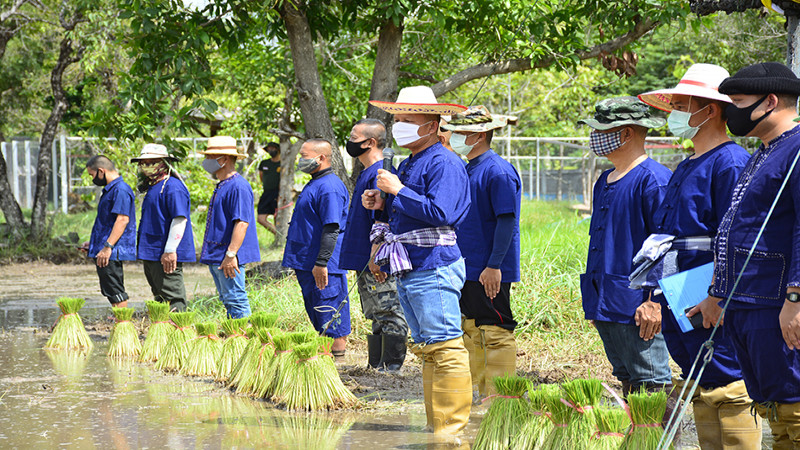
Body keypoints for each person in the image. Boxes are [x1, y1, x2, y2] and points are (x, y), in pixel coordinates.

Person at [638, 64, 762, 448]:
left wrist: (719, 294)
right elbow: (663, 239)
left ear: (709, 110)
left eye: (680, 103)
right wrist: (652, 296)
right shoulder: (685, 165)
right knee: (700, 377)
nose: (673, 111)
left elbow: (739, 238)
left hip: (710, 289)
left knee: (728, 377)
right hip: (680, 286)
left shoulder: (730, 163)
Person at [696, 62, 800, 448]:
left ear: (770, 101)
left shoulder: (796, 150)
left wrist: (795, 297)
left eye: (738, 102)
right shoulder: (762, 152)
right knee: (772, 404)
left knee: (793, 404)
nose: (731, 111)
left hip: (775, 303)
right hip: (747, 302)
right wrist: (719, 291)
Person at [364, 85, 472, 436]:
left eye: (408, 120)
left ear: (430, 125)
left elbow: (443, 212)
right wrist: (382, 203)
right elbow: (411, 210)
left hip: (434, 264)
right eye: (398, 120)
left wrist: (398, 191)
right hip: (413, 265)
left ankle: (451, 430)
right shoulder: (412, 161)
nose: (400, 126)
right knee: (429, 347)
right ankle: (436, 425)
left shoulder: (445, 162)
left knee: (444, 345)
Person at [578, 97, 673, 397]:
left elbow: (666, 245)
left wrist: (654, 301)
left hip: (638, 306)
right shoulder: (604, 180)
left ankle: (658, 440)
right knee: (627, 376)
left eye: (603, 129)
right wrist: (595, 300)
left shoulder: (653, 180)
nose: (596, 136)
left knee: (651, 379)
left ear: (627, 133)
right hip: (607, 302)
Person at [440, 106, 521, 399]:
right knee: (473, 327)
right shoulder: (467, 168)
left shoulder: (496, 171)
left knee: (495, 329)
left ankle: (499, 400)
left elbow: (506, 220)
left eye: (462, 132)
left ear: (480, 135)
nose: (455, 136)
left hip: (488, 268)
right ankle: (480, 394)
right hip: (466, 265)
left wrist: (495, 265)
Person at [340, 118, 408, 371]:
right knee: (374, 312)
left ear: (370, 142)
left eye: (353, 136)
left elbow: (386, 220)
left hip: (378, 258)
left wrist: (377, 256)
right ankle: (377, 366)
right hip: (364, 259)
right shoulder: (366, 173)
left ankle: (391, 367)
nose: (349, 140)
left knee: (389, 309)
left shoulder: (382, 173)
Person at [282, 139, 351, 357]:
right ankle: (326, 359)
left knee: (330, 316)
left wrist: (321, 263)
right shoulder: (315, 183)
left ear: (321, 158)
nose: (300, 161)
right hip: (307, 263)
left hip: (323, 266)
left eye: (304, 156)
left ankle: (336, 364)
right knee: (318, 314)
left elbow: (331, 228)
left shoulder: (329, 187)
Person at [199, 135, 260, 319]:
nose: (206, 162)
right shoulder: (223, 185)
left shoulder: (238, 187)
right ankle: (235, 336)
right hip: (219, 254)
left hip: (229, 256)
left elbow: (242, 222)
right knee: (227, 299)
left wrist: (231, 254)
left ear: (224, 159)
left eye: (211, 157)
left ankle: (243, 339)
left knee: (236, 299)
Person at [132, 143, 196, 313]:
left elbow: (179, 219)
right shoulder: (154, 187)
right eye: (143, 163)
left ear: (164, 163)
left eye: (153, 162)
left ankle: (180, 333)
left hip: (165, 252)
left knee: (173, 296)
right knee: (159, 296)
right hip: (151, 251)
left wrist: (170, 250)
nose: (147, 167)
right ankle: (162, 332)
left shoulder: (173, 187)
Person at [83, 155, 137, 307]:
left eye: (92, 175)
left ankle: (123, 325)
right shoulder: (110, 190)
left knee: (115, 290)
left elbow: (122, 220)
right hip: (106, 249)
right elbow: (107, 222)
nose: (93, 179)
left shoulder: (120, 190)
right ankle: (119, 323)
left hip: (112, 251)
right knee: (109, 289)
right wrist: (93, 244)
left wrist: (108, 247)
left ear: (101, 171)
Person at [257, 142, 281, 236]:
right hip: (266, 193)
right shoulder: (264, 163)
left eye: (273, 148)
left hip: (278, 193)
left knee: (277, 218)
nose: (271, 150)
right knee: (260, 219)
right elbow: (261, 177)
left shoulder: (283, 164)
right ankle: (278, 235)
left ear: (278, 149)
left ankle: (281, 239)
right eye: (269, 149)